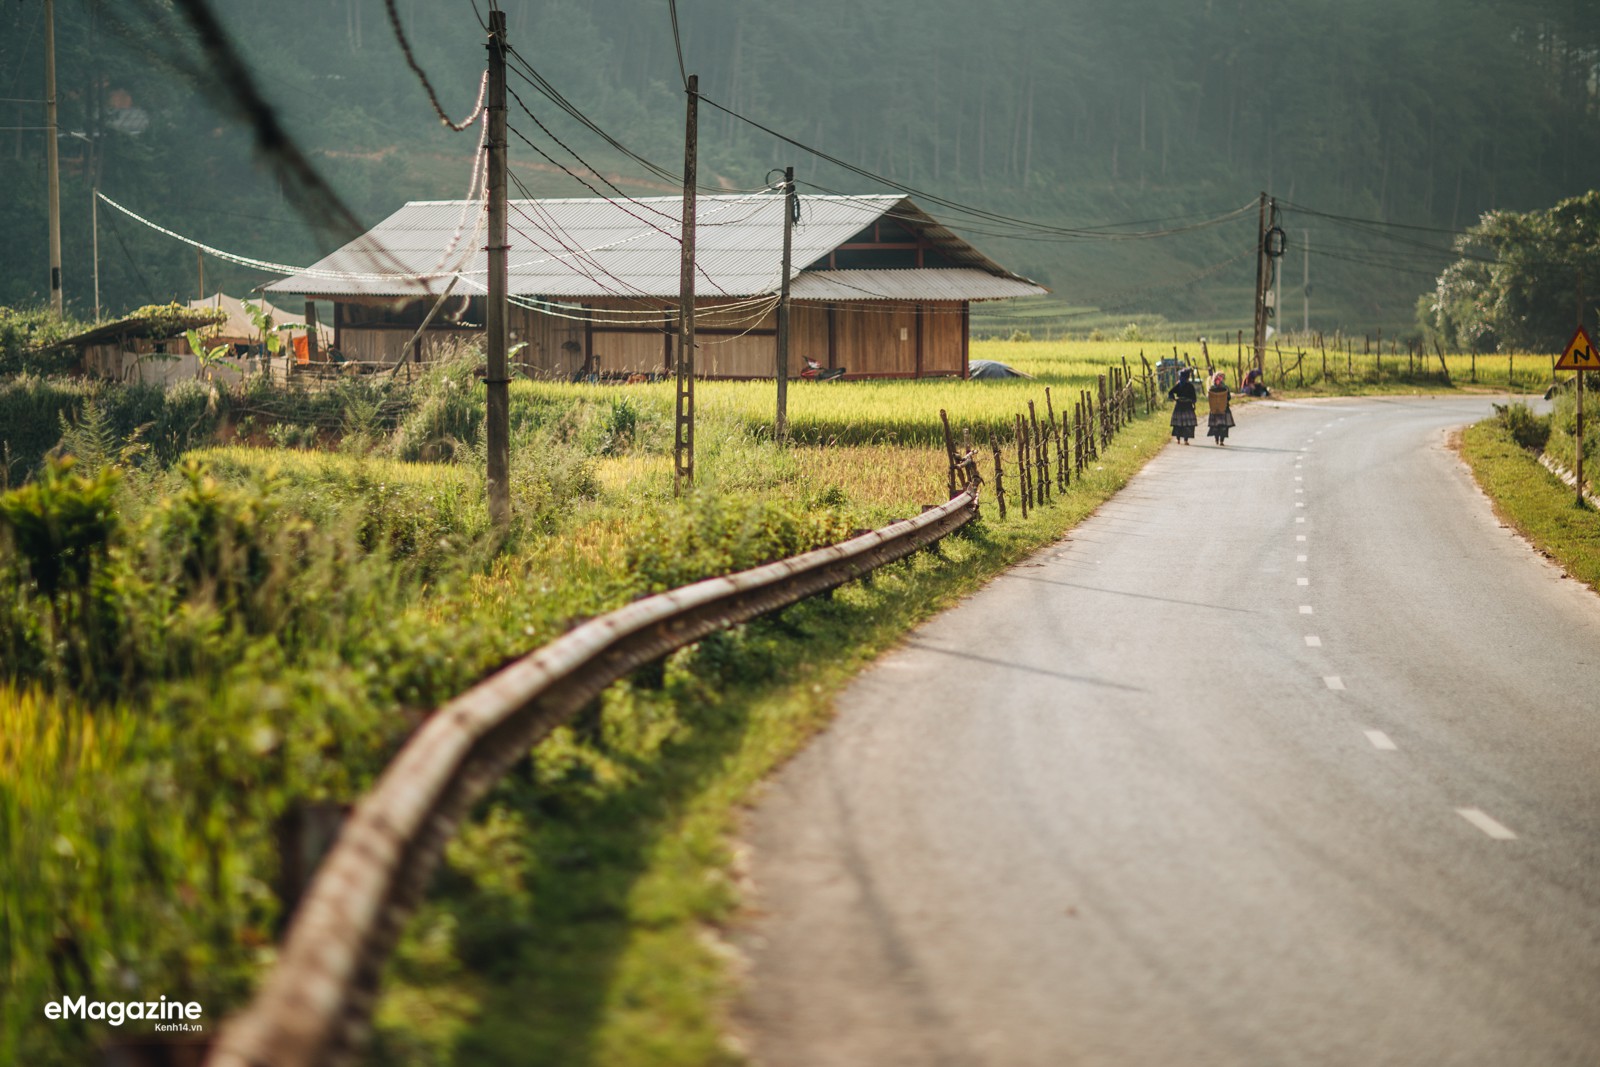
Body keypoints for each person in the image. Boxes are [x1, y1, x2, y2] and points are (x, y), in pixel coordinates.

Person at [1167, 367, 1198, 444]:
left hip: (1179, 406)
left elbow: (1170, 392)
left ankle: (1178, 439)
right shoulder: (1190, 386)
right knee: (1187, 424)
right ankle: (1185, 440)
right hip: (1187, 407)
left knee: (1178, 424)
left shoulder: (1179, 385)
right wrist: (1192, 402)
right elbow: (1194, 398)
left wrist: (1174, 398)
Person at [1207, 372, 1236, 445]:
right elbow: (1228, 397)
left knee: (1219, 426)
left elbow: (1209, 398)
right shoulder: (1221, 388)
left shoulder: (1215, 388)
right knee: (1220, 426)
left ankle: (1219, 440)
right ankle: (1219, 440)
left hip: (1219, 409)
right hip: (1220, 409)